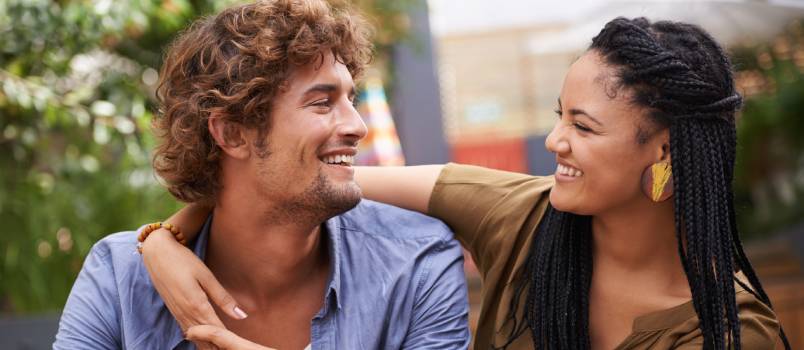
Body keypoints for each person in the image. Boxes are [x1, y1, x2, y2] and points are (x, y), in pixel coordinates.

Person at [141, 17, 791, 350]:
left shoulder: (732, 333)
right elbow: (311, 178)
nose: (555, 142)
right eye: (559, 117)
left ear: (664, 153)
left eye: (584, 127)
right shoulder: (523, 216)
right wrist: (166, 240)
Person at [53, 1, 471, 349]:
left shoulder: (417, 263)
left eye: (351, 98)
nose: (357, 125)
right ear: (233, 133)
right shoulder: (120, 277)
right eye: (322, 103)